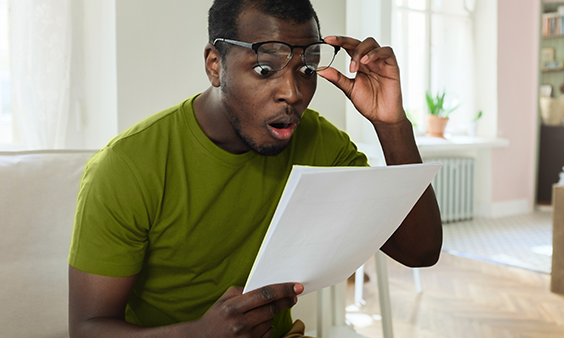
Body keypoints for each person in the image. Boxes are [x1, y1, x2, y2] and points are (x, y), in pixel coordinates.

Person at [67, 0, 442, 337]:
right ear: (215, 65)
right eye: (265, 68)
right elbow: (88, 328)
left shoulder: (320, 144)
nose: (293, 92)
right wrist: (198, 335)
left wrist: (391, 124)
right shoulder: (128, 166)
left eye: (307, 68)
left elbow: (420, 251)